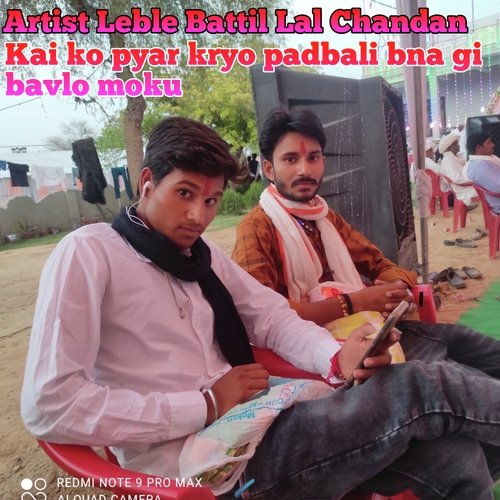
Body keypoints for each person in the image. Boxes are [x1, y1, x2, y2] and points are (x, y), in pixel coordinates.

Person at [22, 116, 500, 499]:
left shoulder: (201, 257)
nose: (198, 216)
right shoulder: (90, 253)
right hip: (205, 464)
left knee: (455, 456)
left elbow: (271, 317)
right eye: (184, 193)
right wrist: (204, 404)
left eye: (211, 200)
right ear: (148, 182)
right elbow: (49, 405)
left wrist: (336, 357)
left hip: (261, 414)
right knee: (420, 385)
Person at [438, 132, 478, 207]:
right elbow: (457, 179)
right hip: (462, 188)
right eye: (455, 144)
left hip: (469, 184)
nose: (458, 145)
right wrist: (473, 179)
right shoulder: (447, 160)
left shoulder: (458, 157)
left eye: (457, 143)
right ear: (448, 147)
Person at [466, 132, 500, 214]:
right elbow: (498, 187)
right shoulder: (479, 167)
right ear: (479, 147)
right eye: (489, 142)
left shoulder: (482, 162)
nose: (493, 145)